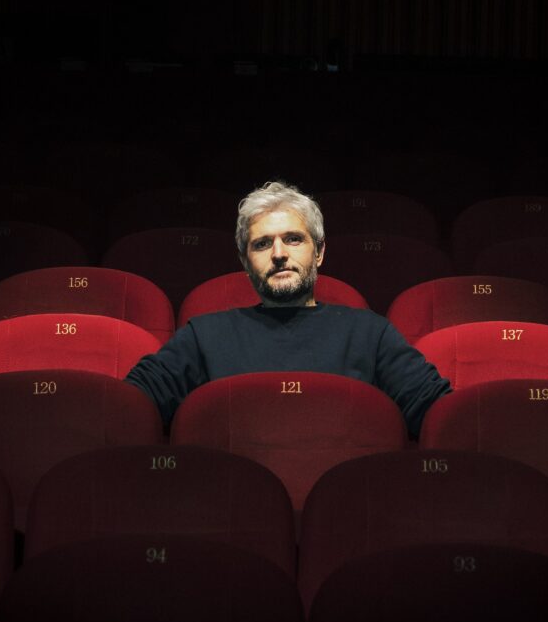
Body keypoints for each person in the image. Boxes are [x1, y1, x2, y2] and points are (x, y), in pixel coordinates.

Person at [124, 181, 451, 436]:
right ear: (245, 262)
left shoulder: (371, 334)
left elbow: (440, 414)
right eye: (262, 244)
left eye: (293, 239)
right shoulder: (204, 336)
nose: (279, 254)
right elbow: (130, 406)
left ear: (319, 252)